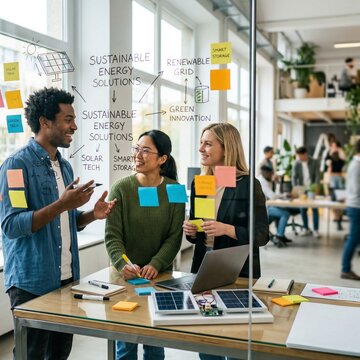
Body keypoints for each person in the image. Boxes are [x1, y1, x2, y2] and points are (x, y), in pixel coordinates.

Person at [0, 87, 117, 360]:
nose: (74, 126)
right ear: (45, 122)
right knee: (31, 355)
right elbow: (12, 225)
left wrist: (90, 215)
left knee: (59, 354)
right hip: (31, 283)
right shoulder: (16, 166)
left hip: (66, 280)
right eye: (67, 119)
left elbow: (62, 223)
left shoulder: (64, 167)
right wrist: (62, 204)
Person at [183, 123, 269, 360]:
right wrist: (191, 229)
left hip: (237, 271)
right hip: (204, 271)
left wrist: (227, 229)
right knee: (207, 338)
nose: (201, 148)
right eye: (201, 142)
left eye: (208, 143)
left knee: (236, 341)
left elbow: (262, 234)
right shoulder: (202, 182)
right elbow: (200, 229)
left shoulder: (247, 184)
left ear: (226, 148)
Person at [105, 130, 185, 360]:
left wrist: (156, 264)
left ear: (162, 159)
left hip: (159, 277)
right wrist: (123, 264)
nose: (138, 155)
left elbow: (174, 236)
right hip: (125, 276)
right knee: (126, 342)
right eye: (137, 148)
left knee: (154, 340)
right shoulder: (121, 188)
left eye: (146, 150)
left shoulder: (175, 190)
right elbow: (112, 236)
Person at [258, 165, 292, 247]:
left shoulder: (266, 180)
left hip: (267, 207)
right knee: (285, 213)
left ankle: (281, 235)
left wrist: (275, 182)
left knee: (281, 212)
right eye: (271, 174)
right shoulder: (261, 181)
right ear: (265, 173)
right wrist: (283, 195)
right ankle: (279, 236)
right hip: (262, 211)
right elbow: (272, 196)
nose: (272, 176)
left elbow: (273, 194)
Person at [341, 139, 360, 280]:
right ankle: (345, 269)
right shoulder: (356, 166)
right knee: (353, 238)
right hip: (356, 206)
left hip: (355, 205)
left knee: (355, 237)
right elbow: (356, 189)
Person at [292, 146, 321, 238]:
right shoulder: (297, 163)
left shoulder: (314, 162)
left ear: (305, 154)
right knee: (303, 208)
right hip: (302, 188)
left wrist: (316, 187)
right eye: (298, 156)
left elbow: (317, 176)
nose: (299, 158)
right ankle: (305, 228)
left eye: (300, 156)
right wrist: (296, 188)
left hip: (311, 187)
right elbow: (294, 177)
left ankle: (316, 230)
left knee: (314, 208)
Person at [326, 146, 345, 230]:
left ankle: (336, 218)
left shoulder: (331, 162)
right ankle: (339, 220)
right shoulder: (342, 161)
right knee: (340, 202)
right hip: (340, 181)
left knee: (334, 203)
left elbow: (329, 172)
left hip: (333, 181)